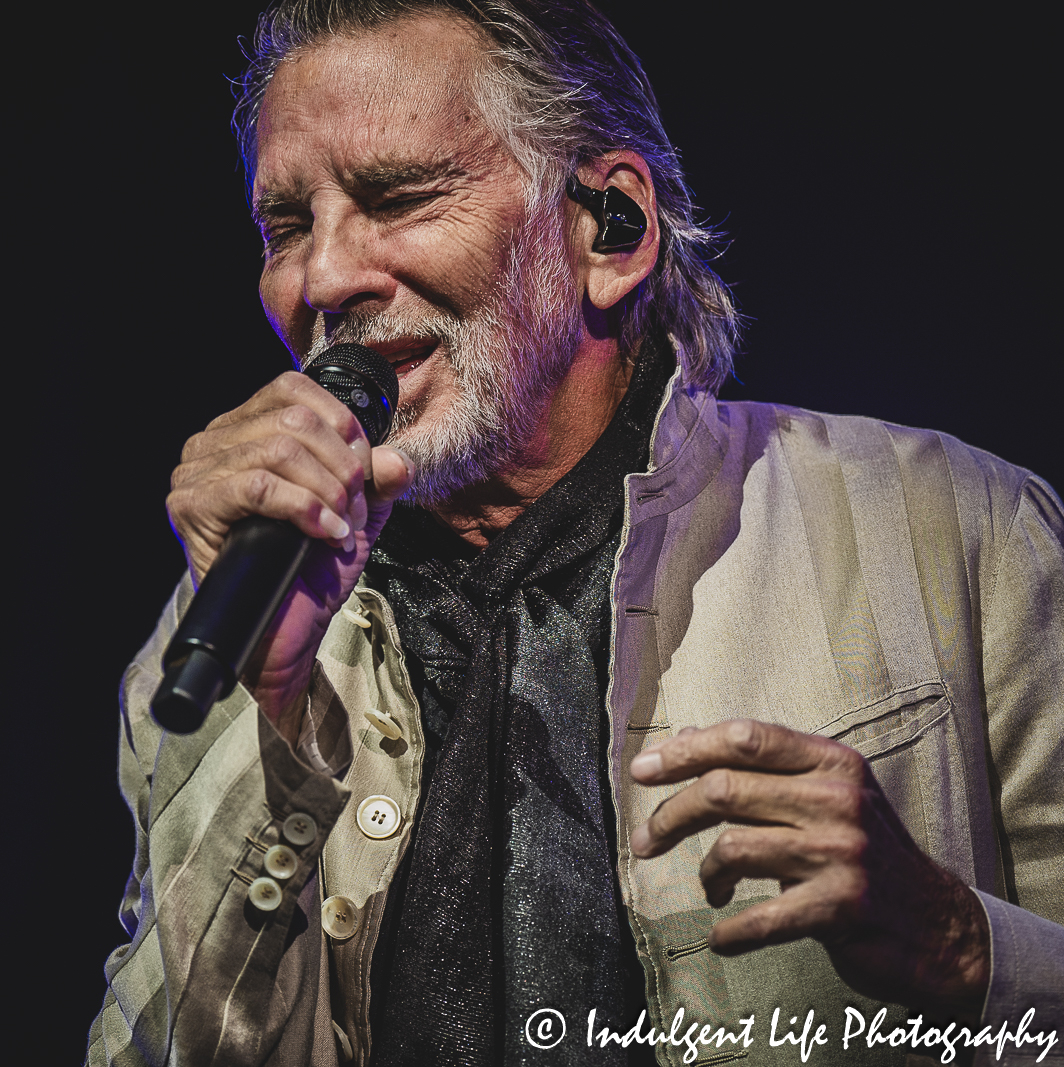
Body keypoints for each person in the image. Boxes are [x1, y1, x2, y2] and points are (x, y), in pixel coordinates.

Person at [87, 2, 1063, 1064]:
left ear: (612, 230)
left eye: (397, 197)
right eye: (284, 226)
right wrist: (270, 722)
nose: (321, 279)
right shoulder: (228, 607)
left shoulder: (950, 524)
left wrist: (962, 943)